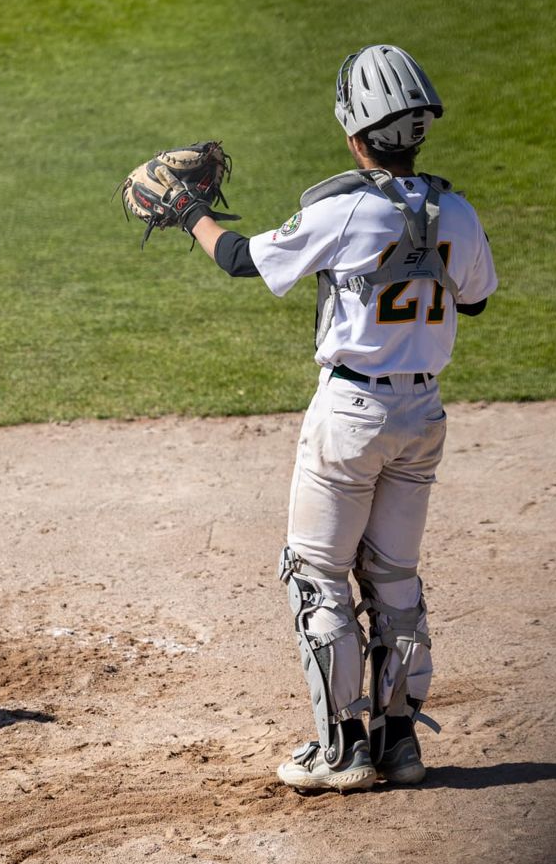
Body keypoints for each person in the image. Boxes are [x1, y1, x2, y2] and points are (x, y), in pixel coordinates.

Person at [184, 44, 497, 792]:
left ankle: (342, 750)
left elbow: (241, 259)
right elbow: (478, 298)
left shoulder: (343, 209)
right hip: (423, 413)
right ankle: (400, 744)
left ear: (355, 133)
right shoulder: (456, 211)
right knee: (394, 578)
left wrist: (189, 213)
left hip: (351, 415)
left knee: (318, 575)